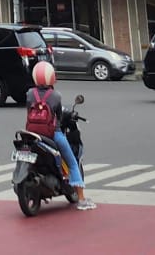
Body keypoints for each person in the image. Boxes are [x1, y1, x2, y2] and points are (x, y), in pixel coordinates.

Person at [25, 60, 95, 210]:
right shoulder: (56, 96)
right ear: (51, 77)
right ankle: (82, 200)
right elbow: (59, 117)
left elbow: (28, 110)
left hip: (32, 133)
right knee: (73, 163)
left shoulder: (30, 94)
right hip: (53, 134)